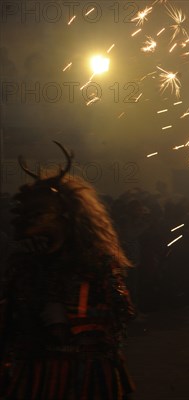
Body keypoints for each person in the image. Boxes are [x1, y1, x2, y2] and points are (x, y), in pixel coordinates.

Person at [0, 142, 136, 399]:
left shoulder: (96, 261)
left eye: (39, 213)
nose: (28, 220)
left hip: (84, 372)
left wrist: (70, 318)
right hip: (34, 372)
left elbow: (121, 312)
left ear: (64, 216)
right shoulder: (24, 263)